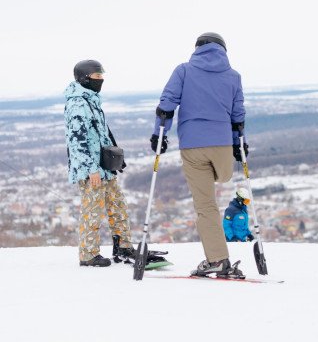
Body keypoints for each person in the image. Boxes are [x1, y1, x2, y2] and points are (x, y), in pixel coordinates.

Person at [152, 32, 248, 277]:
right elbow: (238, 116)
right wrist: (239, 144)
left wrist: (159, 135)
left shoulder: (183, 71)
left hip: (193, 146)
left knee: (206, 205)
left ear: (197, 49)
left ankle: (217, 260)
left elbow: (167, 105)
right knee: (224, 177)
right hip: (223, 146)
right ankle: (218, 257)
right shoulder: (234, 76)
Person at [64, 60, 134, 267]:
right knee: (92, 211)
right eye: (97, 76)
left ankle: (123, 245)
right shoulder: (77, 103)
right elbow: (77, 139)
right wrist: (91, 169)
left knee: (117, 205)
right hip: (91, 169)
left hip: (105, 166)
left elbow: (102, 133)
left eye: (101, 76)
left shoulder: (92, 100)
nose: (101, 80)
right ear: (85, 78)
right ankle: (88, 254)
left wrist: (115, 159)